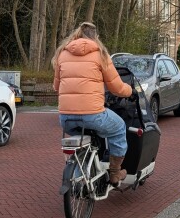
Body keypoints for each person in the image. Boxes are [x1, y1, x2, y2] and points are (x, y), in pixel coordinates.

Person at [52, 22, 132, 186]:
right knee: (118, 128)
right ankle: (115, 173)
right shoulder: (100, 54)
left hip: (66, 118)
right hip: (93, 115)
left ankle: (80, 172)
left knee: (84, 137)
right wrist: (130, 91)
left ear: (76, 35)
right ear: (96, 37)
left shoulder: (62, 54)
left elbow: (56, 87)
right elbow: (116, 87)